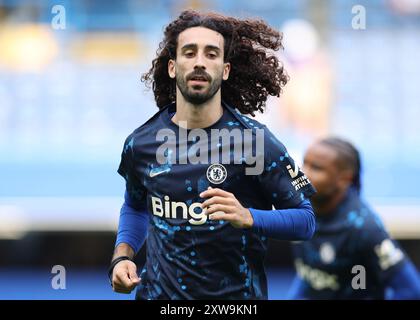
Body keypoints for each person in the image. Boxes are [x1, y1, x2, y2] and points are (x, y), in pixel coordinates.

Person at [109, 10, 316, 300]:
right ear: (172, 67)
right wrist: (123, 256)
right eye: (189, 53)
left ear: (225, 69)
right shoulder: (142, 143)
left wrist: (249, 217)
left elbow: (305, 221)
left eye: (211, 54)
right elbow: (135, 206)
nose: (199, 63)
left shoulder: (254, 142)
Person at [289, 137, 420, 299]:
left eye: (316, 168)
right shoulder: (300, 210)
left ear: (344, 179)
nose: (303, 174)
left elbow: (411, 291)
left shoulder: (364, 228)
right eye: (304, 163)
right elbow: (310, 274)